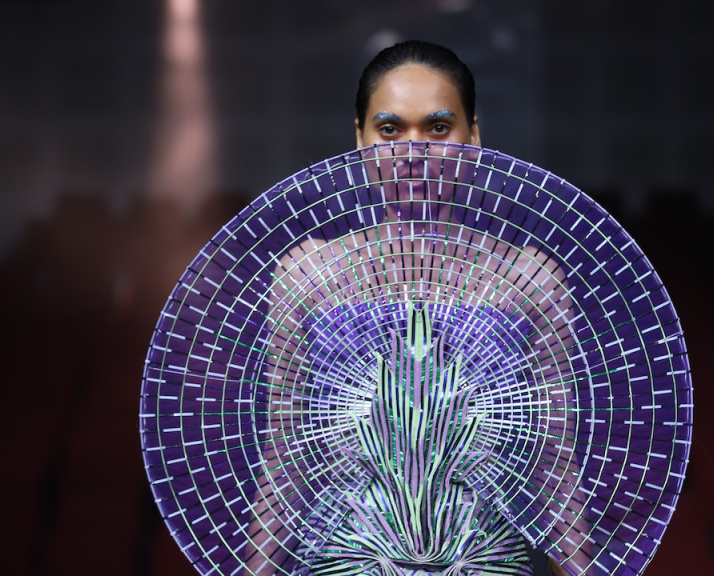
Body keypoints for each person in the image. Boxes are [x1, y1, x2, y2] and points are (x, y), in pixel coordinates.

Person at [247, 41, 585, 575]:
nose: (413, 149)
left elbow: (554, 461)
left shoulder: (531, 278)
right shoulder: (306, 274)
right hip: (348, 561)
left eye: (437, 127)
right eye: (389, 129)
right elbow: (284, 455)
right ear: (360, 140)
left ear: (473, 137)